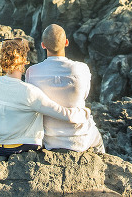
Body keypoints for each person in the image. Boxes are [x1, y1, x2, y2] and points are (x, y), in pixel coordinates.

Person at [0, 37, 91, 157]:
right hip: (15, 149)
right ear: (24, 61)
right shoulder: (29, 92)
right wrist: (85, 113)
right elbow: (64, 114)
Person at [25, 24, 105, 153]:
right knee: (99, 143)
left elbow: (32, 102)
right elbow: (84, 95)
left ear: (43, 45)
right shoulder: (81, 69)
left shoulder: (32, 72)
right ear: (66, 42)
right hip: (80, 138)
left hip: (48, 139)